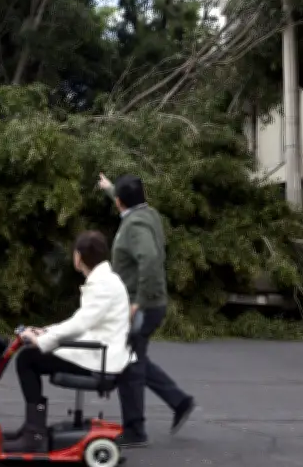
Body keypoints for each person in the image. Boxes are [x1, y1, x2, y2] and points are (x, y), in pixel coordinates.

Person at [98, 172, 195, 448]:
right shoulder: (147, 213)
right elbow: (128, 203)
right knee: (135, 357)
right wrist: (109, 189)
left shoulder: (135, 226)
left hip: (142, 307)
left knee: (129, 365)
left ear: (120, 203)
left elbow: (150, 259)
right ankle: (179, 401)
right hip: (151, 303)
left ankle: (135, 431)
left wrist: (138, 301)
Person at [12, 230, 132, 452]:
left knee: (27, 359)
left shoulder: (102, 285)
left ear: (78, 257)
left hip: (99, 359)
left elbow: (79, 325)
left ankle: (34, 434)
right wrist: (44, 331)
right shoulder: (106, 279)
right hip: (97, 351)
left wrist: (42, 341)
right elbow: (81, 321)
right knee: (30, 357)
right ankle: (33, 429)